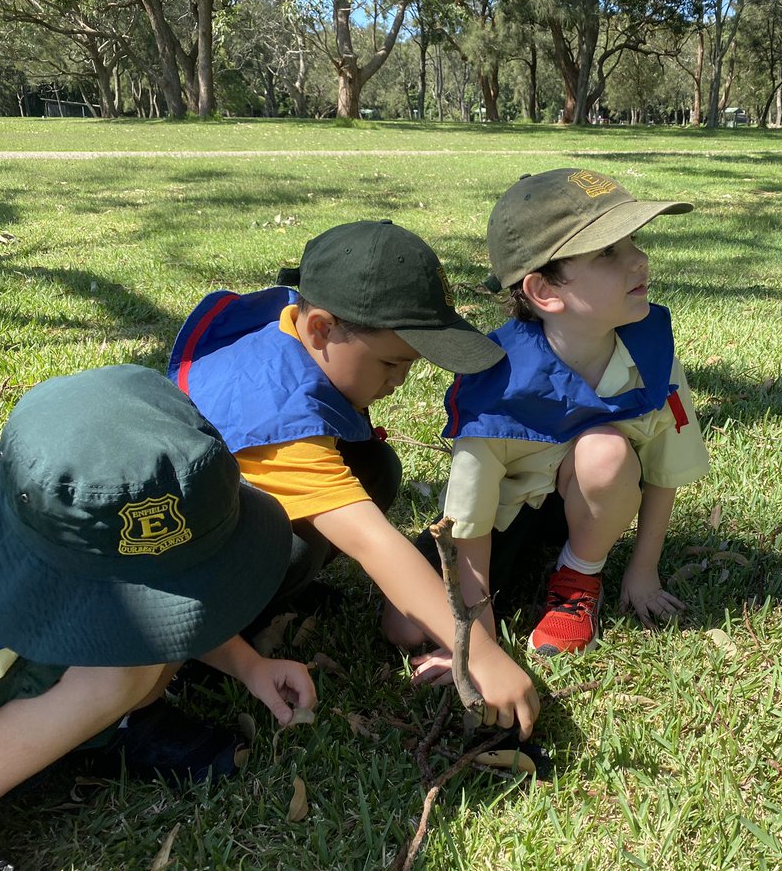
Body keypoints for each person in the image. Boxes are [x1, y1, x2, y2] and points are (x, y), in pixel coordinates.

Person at [167, 220, 540, 731]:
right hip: (177, 567)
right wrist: (480, 654)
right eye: (390, 363)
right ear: (321, 328)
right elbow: (374, 543)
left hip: (223, 502)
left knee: (373, 466)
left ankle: (277, 594)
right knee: (286, 545)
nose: (400, 380)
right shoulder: (279, 418)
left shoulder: (293, 321)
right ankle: (208, 643)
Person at [0, 365, 317, 871]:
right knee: (124, 666)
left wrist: (246, 664)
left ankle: (111, 726)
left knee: (138, 648)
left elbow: (175, 596)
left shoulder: (38, 526)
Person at [419, 168, 710, 659]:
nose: (639, 259)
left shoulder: (649, 351)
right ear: (544, 293)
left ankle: (578, 580)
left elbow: (666, 467)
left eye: (633, 240)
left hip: (596, 499)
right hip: (504, 518)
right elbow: (468, 517)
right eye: (608, 252)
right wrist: (478, 634)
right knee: (404, 628)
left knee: (607, 451)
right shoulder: (496, 380)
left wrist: (643, 571)